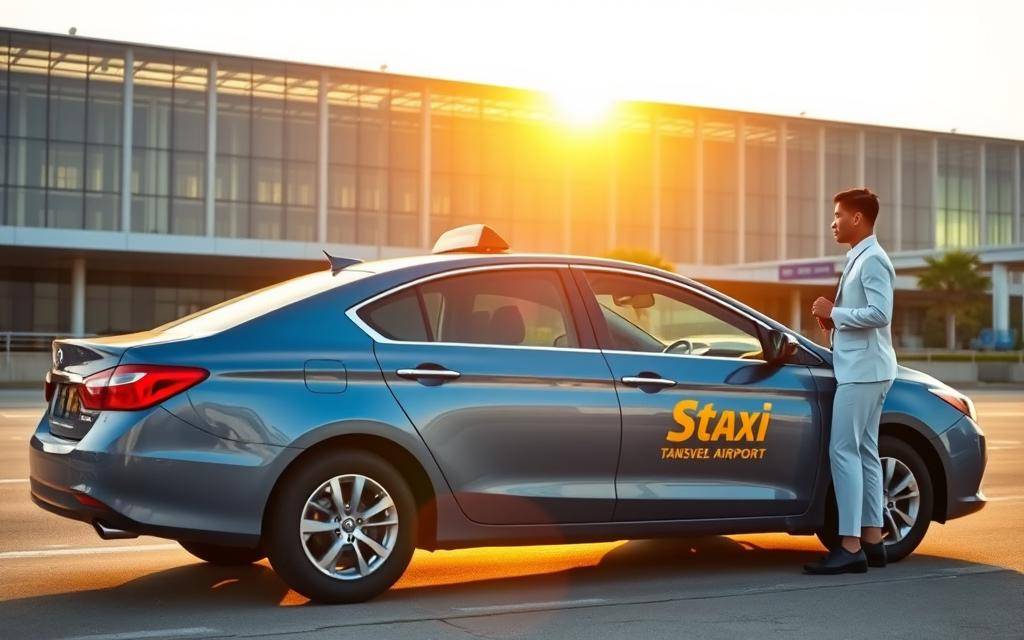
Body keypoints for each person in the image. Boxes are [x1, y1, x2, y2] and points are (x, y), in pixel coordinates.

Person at [804, 187, 899, 575]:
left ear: (857, 218)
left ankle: (849, 545)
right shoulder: (862, 258)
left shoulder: (873, 259)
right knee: (864, 454)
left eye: (839, 215)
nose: (834, 222)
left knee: (843, 452)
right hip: (868, 369)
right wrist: (834, 322)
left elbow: (880, 313)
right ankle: (873, 540)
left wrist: (836, 311)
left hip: (862, 374)